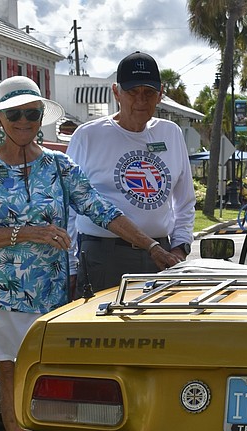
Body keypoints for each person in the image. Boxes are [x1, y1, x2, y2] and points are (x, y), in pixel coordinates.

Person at [0, 76, 174, 431]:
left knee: (45, 372)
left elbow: (101, 210)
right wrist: (27, 232)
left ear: (42, 117)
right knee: (10, 372)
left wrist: (151, 246)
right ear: (0, 119)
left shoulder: (59, 166)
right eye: (15, 114)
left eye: (32, 113)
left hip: (50, 296)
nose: (24, 121)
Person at [67, 51, 196, 294]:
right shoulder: (88, 136)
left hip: (161, 257)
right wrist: (71, 266)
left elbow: (185, 202)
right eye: (132, 92)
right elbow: (68, 207)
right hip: (103, 256)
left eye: (148, 93)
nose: (141, 100)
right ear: (116, 92)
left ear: (160, 94)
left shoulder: (171, 134)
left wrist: (180, 247)